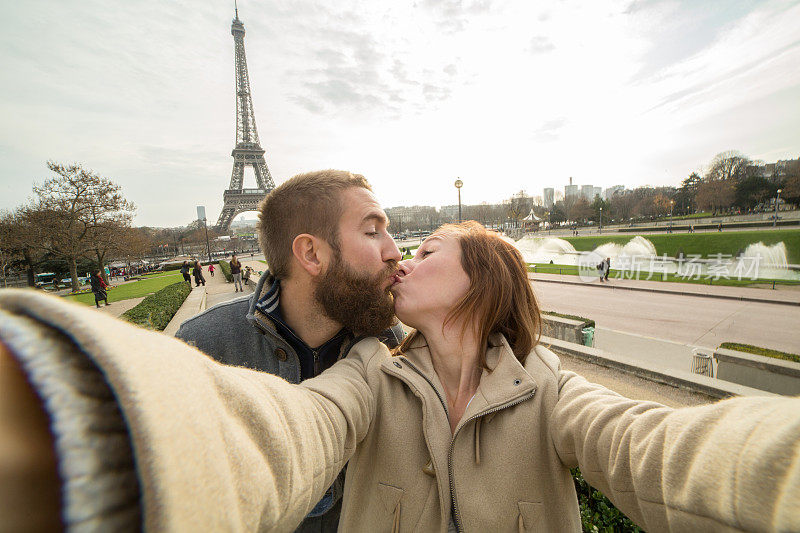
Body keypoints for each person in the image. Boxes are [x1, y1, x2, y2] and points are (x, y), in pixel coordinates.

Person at [1, 222, 799, 531]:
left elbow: (656, 451)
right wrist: (104, 414)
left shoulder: (549, 385)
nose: (401, 260)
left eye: (426, 252)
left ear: (482, 280)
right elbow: (286, 433)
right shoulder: (366, 372)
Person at [176, 170, 405, 531]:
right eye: (372, 231)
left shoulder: (390, 338)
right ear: (311, 253)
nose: (394, 250)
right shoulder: (202, 348)